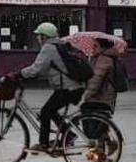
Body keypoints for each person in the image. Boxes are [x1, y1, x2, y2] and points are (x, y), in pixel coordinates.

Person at [18, 21, 86, 152]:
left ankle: (43, 144)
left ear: (45, 36)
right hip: (74, 87)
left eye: (38, 35)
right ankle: (69, 135)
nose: (37, 38)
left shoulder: (48, 48)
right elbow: (49, 68)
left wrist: (19, 74)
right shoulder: (60, 45)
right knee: (51, 111)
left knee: (45, 112)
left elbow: (37, 68)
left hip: (67, 88)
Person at [76, 31, 127, 137]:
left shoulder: (103, 59)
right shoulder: (103, 57)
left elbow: (96, 80)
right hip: (105, 98)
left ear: (102, 46)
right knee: (97, 123)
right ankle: (102, 145)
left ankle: (102, 141)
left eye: (95, 45)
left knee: (87, 117)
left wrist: (86, 96)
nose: (93, 48)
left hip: (101, 97)